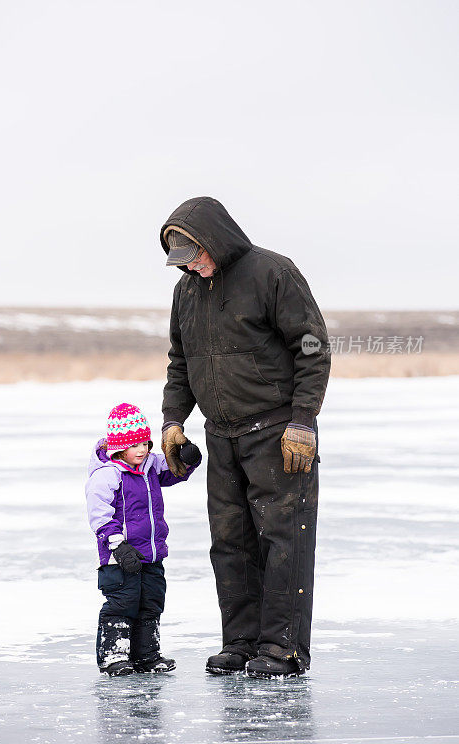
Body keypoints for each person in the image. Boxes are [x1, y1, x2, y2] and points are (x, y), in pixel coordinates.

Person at [160, 197, 330, 679]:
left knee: (282, 540)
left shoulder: (272, 273)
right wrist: (174, 420)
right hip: (222, 437)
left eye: (195, 255)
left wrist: (303, 420)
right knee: (230, 543)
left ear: (215, 239)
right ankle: (241, 642)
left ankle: (282, 648)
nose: (191, 266)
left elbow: (313, 348)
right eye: (182, 261)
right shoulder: (186, 292)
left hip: (278, 433)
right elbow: (181, 363)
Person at [86, 402, 201, 676]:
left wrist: (188, 458)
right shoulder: (107, 474)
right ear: (119, 447)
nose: (142, 450)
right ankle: (114, 656)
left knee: (151, 601)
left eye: (146, 443)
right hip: (121, 555)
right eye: (135, 445)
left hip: (151, 553)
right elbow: (99, 513)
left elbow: (175, 472)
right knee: (122, 602)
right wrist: (116, 542)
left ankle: (146, 656)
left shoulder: (150, 466)